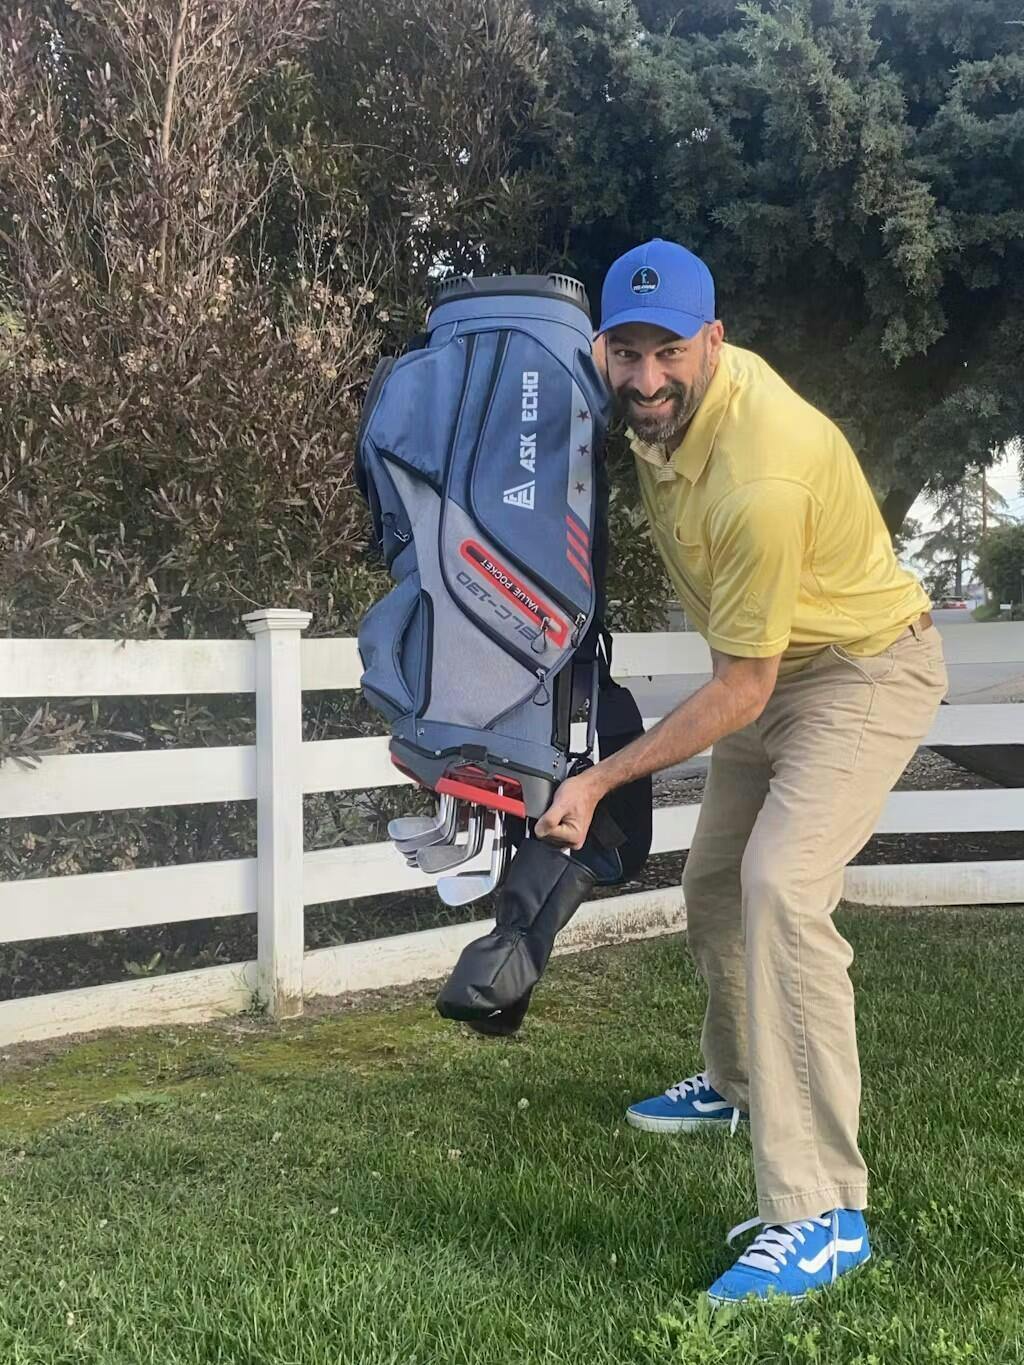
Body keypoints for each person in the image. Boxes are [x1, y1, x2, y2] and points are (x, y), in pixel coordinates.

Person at [534, 238, 948, 1304]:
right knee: (713, 883)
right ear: (603, 348)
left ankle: (822, 1214)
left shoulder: (762, 470)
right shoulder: (649, 412)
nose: (647, 380)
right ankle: (739, 1082)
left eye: (669, 352)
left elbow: (741, 690)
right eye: (627, 354)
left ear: (713, 341)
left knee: (779, 889)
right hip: (771, 665)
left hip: (859, 669)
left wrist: (599, 780)